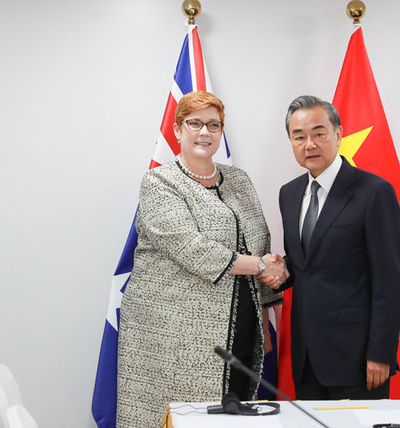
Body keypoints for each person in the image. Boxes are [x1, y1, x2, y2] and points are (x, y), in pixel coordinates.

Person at [116, 91, 287, 428]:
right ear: (178, 130)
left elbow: (259, 240)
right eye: (195, 123)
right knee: (185, 417)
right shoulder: (160, 182)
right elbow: (194, 250)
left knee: (234, 414)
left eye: (213, 125)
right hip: (173, 334)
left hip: (241, 325)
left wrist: (265, 316)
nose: (204, 132)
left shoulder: (240, 179)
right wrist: (264, 266)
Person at [264, 95, 400, 400]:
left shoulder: (374, 192)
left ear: (338, 134)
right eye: (299, 136)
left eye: (318, 133)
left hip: (358, 356)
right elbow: (308, 264)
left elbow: (389, 281)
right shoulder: (289, 194)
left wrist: (381, 352)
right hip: (306, 355)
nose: (309, 144)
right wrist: (282, 270)